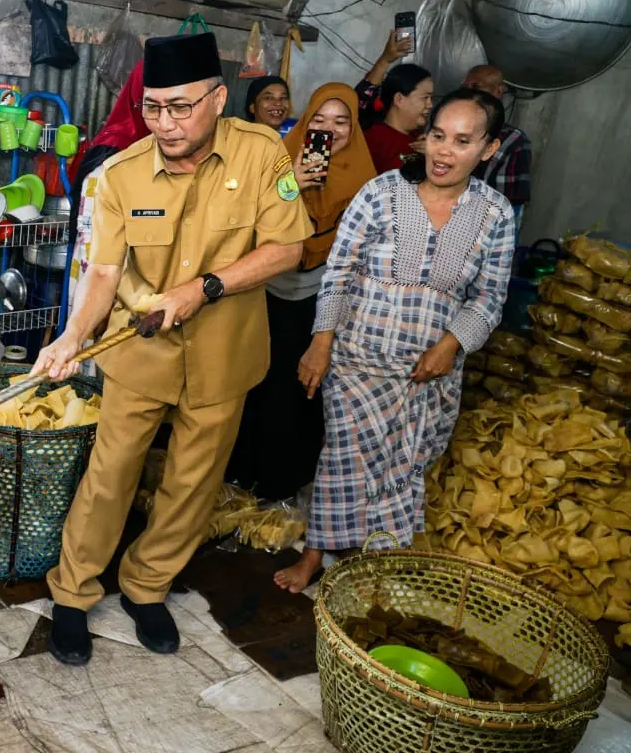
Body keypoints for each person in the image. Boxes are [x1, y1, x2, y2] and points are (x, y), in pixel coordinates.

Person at [33, 32, 312, 665]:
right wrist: (71, 339)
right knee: (110, 476)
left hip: (226, 355)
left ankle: (146, 586)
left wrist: (203, 288)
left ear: (218, 99)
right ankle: (73, 596)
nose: (166, 122)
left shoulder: (262, 154)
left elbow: (286, 249)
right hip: (139, 353)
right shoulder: (122, 176)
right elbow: (101, 274)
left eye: (181, 106)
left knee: (192, 484)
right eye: (154, 107)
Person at [275, 89, 517, 593]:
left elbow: (490, 297)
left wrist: (451, 345)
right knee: (341, 460)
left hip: (428, 375)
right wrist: (320, 344)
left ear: (488, 150)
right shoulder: (381, 193)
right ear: (424, 137)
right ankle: (314, 555)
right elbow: (339, 273)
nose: (445, 152)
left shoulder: (495, 214)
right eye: (438, 136)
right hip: (359, 361)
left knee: (402, 473)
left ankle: (376, 571)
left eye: (462, 141)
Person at [227, 83, 376, 501]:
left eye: (341, 121)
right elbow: (252, 220)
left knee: (297, 391)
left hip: (321, 297)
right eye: (319, 120)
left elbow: (362, 253)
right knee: (254, 380)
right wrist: (290, 180)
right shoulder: (277, 160)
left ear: (354, 126)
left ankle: (280, 481)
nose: (329, 130)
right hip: (265, 288)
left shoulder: (368, 181)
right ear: (306, 122)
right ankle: (238, 474)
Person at [66, 60, 150, 375]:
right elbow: (93, 256)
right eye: (152, 103)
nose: (165, 118)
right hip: (106, 291)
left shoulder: (167, 152)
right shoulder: (112, 159)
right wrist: (97, 311)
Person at [354, 32, 433, 173]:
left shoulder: (421, 139)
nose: (430, 105)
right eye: (425, 98)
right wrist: (385, 60)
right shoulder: (374, 137)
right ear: (399, 99)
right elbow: (360, 102)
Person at [463, 64, 532, 216]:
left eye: (476, 87)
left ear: (499, 91)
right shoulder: (447, 128)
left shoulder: (513, 141)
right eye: (464, 88)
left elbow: (509, 209)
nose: (468, 94)